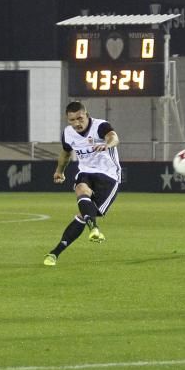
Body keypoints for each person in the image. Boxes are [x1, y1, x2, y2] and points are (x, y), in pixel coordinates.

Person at [43, 101, 121, 266]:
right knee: (80, 188)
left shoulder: (100, 126)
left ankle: (55, 252)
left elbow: (113, 137)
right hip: (86, 172)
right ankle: (93, 229)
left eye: (80, 118)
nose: (77, 123)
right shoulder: (68, 133)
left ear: (87, 115)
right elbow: (65, 153)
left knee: (83, 215)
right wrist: (59, 171)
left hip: (109, 175)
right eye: (72, 120)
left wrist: (107, 145)